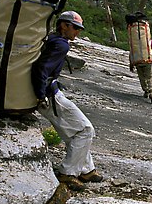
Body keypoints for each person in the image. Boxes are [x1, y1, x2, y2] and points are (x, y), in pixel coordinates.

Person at [31, 10, 102, 191]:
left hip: (49, 91)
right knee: (85, 130)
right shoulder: (61, 45)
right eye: (75, 27)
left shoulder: (53, 39)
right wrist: (40, 95)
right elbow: (41, 69)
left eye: (79, 28)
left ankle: (86, 169)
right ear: (64, 25)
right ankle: (68, 172)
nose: (77, 32)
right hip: (49, 95)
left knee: (73, 130)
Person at [128, 14, 152, 104]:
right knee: (149, 77)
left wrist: (131, 63)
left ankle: (146, 90)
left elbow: (132, 50)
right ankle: (151, 91)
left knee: (142, 77)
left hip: (137, 61)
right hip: (148, 60)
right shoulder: (149, 41)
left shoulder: (134, 40)